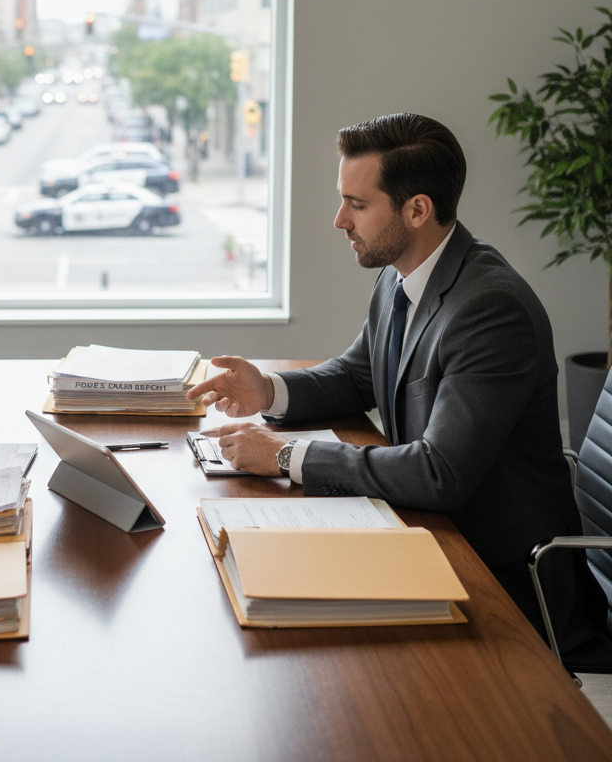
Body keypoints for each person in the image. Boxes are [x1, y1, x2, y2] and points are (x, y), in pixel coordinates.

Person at [188, 113, 607, 654]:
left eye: (357, 204)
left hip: (503, 578)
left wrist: (287, 456)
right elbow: (359, 373)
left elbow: (439, 473)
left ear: (416, 210)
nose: (340, 220)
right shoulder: (401, 273)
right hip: (432, 535)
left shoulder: (489, 308)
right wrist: (267, 390)